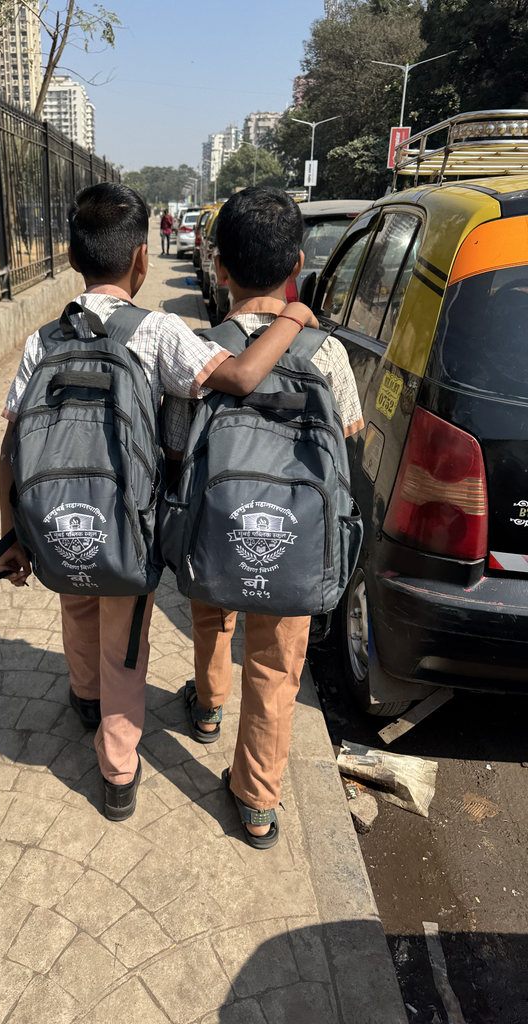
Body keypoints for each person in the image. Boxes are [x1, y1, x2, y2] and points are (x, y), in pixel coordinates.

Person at [0, 182, 318, 821]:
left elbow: (13, 442)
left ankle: (84, 697)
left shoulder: (41, 340)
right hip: (127, 525)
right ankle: (118, 772)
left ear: (71, 257)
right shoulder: (160, 331)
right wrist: (292, 317)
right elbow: (240, 377)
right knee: (125, 641)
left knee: (75, 600)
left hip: (55, 516)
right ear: (143, 260)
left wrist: (11, 534)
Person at [163, 186, 363, 848]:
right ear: (298, 265)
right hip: (294, 535)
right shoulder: (326, 353)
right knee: (277, 665)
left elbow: (175, 447)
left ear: (220, 269)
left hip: (217, 524)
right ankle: (255, 802)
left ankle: (207, 707)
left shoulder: (203, 352)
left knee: (211, 614)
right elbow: (350, 438)